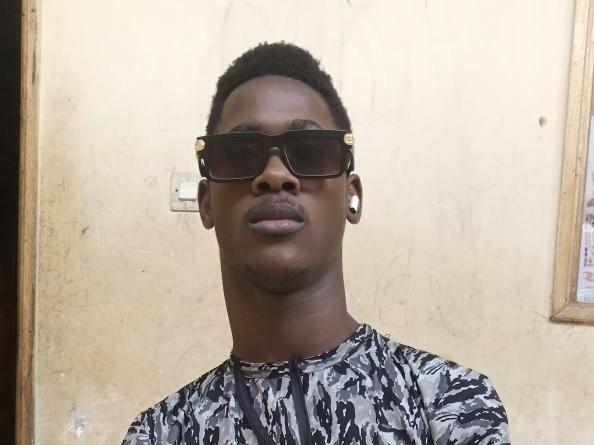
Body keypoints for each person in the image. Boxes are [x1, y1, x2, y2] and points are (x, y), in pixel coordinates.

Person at [122, 42, 510, 445]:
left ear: (351, 197)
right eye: (240, 156)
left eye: (310, 152)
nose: (275, 175)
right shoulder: (161, 433)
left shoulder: (451, 403)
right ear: (206, 205)